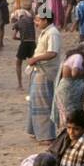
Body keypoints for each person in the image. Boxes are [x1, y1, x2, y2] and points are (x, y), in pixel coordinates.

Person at [25, 10, 60, 144]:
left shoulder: (53, 33)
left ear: (46, 20)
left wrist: (36, 59)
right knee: (34, 101)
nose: (36, 22)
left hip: (46, 72)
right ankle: (36, 131)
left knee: (43, 104)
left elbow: (52, 53)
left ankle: (47, 136)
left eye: (38, 20)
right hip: (38, 70)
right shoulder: (45, 32)